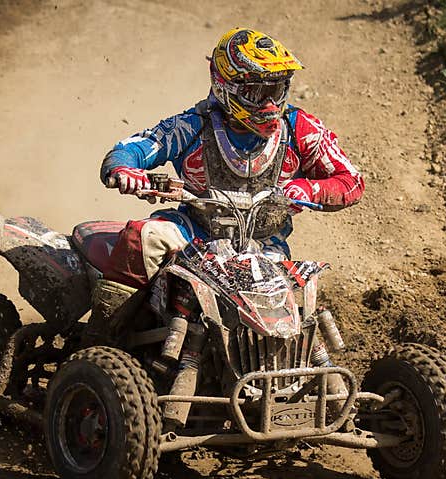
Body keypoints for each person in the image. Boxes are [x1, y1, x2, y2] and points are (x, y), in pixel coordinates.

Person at [99, 27, 364, 288]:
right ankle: (105, 330)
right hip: (195, 232)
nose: (270, 106)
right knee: (144, 237)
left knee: (295, 297)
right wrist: (125, 170)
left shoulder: (299, 129)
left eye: (276, 91)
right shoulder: (192, 127)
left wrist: (309, 189)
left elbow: (351, 181)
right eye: (256, 94)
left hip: (265, 246)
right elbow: (131, 149)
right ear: (225, 87)